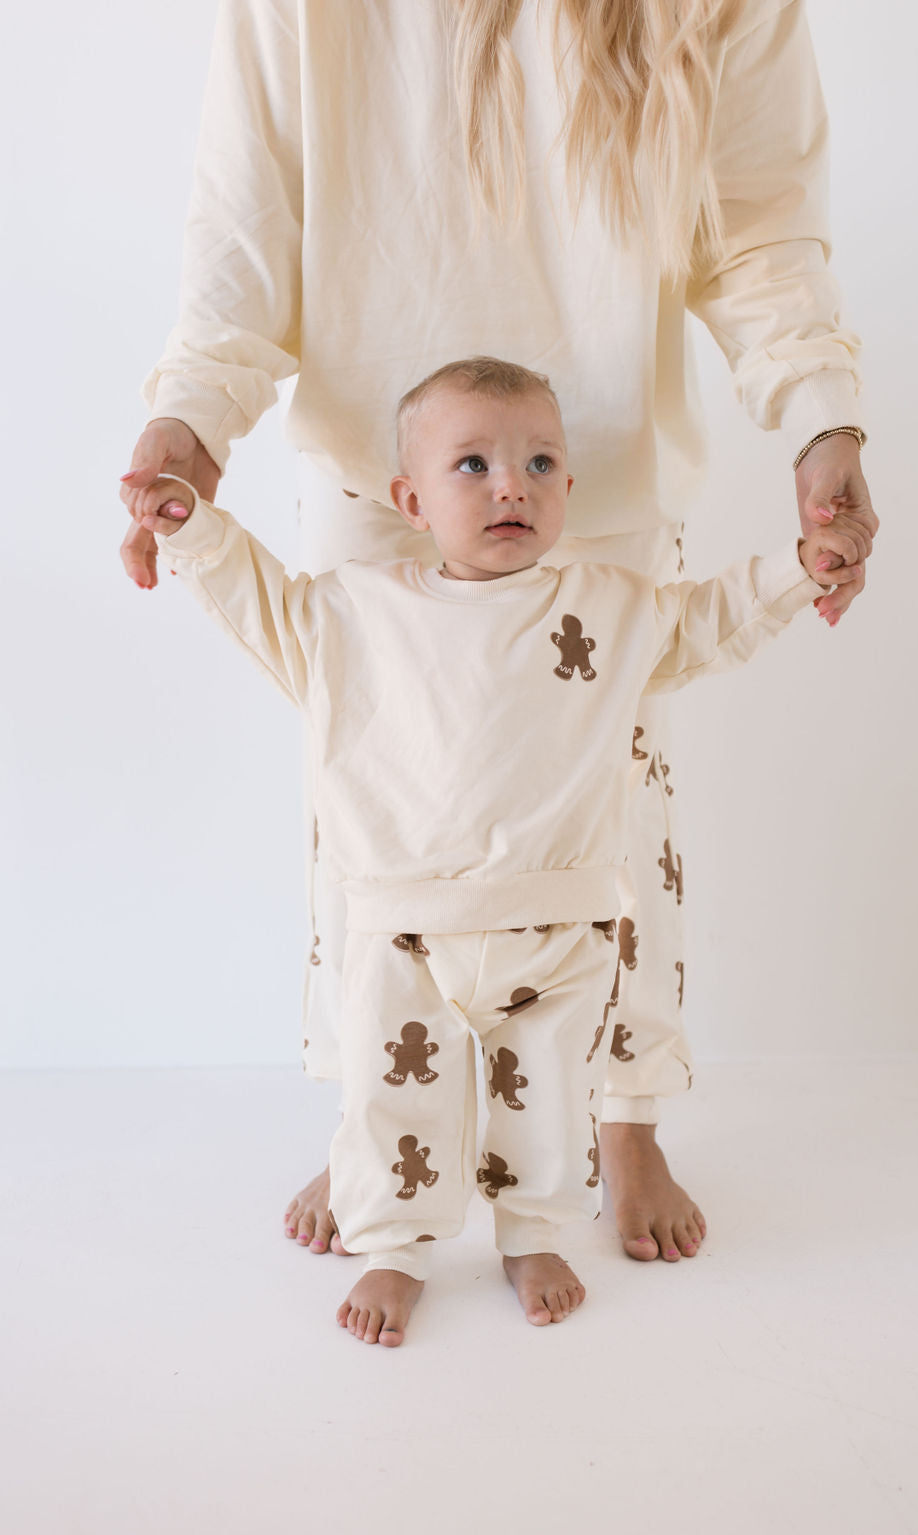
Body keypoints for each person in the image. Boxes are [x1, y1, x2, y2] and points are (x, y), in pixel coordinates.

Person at [119, 0, 877, 1265]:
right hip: (381, 466)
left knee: (614, 822)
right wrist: (191, 416)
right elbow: (251, 213)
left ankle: (623, 1115)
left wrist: (823, 420)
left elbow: (760, 225)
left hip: (595, 473)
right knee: (375, 814)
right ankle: (384, 1124)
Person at [136, 356, 858, 1344]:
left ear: (567, 488)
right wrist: (192, 526)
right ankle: (394, 1246)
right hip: (405, 932)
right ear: (410, 498)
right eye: (471, 464)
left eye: (539, 462)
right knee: (394, 1094)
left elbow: (708, 620)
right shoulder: (356, 610)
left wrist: (792, 567)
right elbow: (256, 595)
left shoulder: (608, 607)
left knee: (551, 1103)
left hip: (558, 928)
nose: (509, 483)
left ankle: (531, 1230)